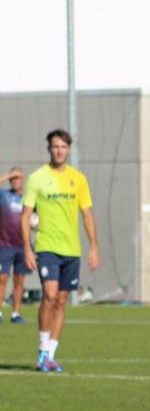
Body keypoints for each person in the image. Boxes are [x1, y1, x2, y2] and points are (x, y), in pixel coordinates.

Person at [21, 130, 99, 372]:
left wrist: (94, 246)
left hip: (71, 250)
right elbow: (25, 216)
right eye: (55, 146)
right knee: (50, 295)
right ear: (49, 149)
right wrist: (27, 248)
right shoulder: (37, 178)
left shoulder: (79, 179)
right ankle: (42, 350)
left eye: (63, 147)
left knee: (62, 301)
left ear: (69, 149)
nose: (59, 150)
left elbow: (87, 214)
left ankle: (51, 356)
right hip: (47, 248)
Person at [0, 167, 30, 323]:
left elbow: (36, 218)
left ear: (23, 180)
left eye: (18, 177)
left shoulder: (29, 198)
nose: (15, 181)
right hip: (4, 244)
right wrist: (9, 174)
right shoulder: (4, 195)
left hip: (22, 246)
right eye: (13, 178)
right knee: (2, 278)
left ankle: (15, 314)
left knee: (19, 279)